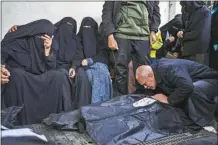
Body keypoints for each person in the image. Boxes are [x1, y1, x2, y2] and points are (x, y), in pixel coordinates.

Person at [1, 19, 73, 125]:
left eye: (47, 37)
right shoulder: (17, 39)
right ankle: (18, 122)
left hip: (40, 75)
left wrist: (47, 50)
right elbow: (2, 53)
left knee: (59, 76)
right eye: (40, 37)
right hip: (23, 76)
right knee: (16, 75)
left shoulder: (52, 44)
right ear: (33, 33)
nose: (43, 40)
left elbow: (51, 66)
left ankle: (53, 120)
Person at [135, 58, 218, 127]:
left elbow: (187, 87)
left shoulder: (169, 69)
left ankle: (208, 123)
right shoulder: (155, 73)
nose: (145, 87)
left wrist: (169, 100)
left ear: (150, 75)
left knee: (194, 90)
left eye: (145, 84)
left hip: (210, 80)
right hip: (193, 82)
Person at [101, 1, 161, 95]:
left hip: (143, 36)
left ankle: (142, 102)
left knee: (144, 72)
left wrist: (153, 30)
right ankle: (120, 103)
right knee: (120, 72)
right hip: (121, 34)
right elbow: (107, 12)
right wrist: (110, 35)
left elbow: (156, 12)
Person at [54, 17, 92, 109]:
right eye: (65, 25)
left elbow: (79, 55)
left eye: (71, 26)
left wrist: (74, 67)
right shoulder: (54, 39)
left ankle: (83, 110)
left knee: (82, 75)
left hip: (73, 65)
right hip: (57, 66)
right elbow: (51, 57)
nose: (67, 28)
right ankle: (67, 112)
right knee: (62, 76)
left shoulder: (76, 39)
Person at [77, 17, 112, 103]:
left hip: (97, 64)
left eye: (90, 29)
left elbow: (103, 56)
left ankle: (102, 105)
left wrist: (90, 60)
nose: (87, 32)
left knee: (103, 72)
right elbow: (76, 57)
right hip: (81, 66)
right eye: (85, 28)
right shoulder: (77, 39)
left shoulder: (100, 40)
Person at [178, 1, 211, 65]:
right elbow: (186, 28)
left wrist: (182, 36)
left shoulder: (203, 11)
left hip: (198, 52)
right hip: (189, 51)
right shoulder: (190, 11)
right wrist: (181, 32)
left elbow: (198, 33)